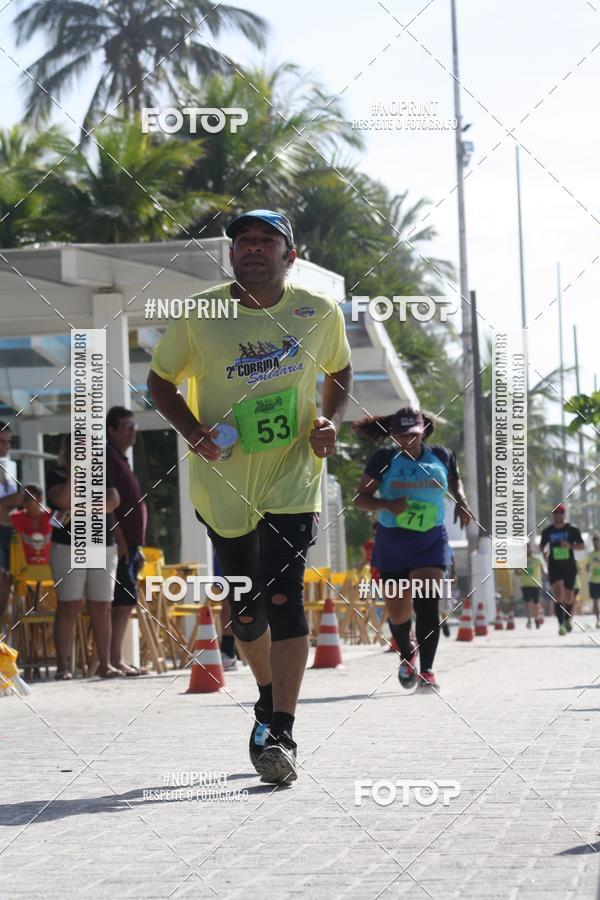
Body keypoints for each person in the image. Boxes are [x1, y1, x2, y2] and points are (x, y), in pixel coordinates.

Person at [147, 209, 352, 784]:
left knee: (285, 599)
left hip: (293, 476)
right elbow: (160, 382)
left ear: (291, 255)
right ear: (231, 254)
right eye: (243, 241)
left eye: (267, 241)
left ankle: (282, 729)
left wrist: (330, 422)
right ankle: (266, 694)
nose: (253, 249)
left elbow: (339, 372)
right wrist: (193, 433)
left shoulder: (318, 312)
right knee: (244, 608)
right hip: (223, 479)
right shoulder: (200, 314)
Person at [353, 407, 473, 690]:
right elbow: (361, 498)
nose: (407, 440)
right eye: (401, 435)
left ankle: (428, 671)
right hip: (393, 540)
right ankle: (408, 654)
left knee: (427, 602)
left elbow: (454, 479)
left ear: (423, 432)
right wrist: (386, 505)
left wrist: (462, 501)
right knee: (398, 614)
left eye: (413, 435)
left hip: (430, 539)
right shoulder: (383, 459)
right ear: (392, 435)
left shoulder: (442, 455)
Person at [47, 434, 121, 679]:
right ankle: (63, 667)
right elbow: (61, 499)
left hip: (102, 545)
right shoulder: (57, 474)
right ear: (68, 449)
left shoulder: (101, 471)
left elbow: (113, 501)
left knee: (103, 606)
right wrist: (74, 473)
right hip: (68, 547)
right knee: (69, 605)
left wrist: (78, 508)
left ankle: (105, 664)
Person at [106, 407, 148, 676]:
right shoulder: (109, 457)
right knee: (121, 602)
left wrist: (137, 546)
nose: (133, 430)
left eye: (134, 425)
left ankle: (116, 657)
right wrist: (119, 537)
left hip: (131, 546)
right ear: (112, 430)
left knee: (126, 601)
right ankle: (114, 658)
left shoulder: (121, 458)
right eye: (127, 426)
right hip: (119, 545)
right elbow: (107, 503)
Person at [540, 503, 585, 636]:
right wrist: (544, 552)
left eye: (560, 513)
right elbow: (542, 545)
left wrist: (570, 545)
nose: (558, 515)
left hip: (569, 566)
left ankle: (567, 619)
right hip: (554, 566)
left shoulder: (572, 530)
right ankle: (561, 625)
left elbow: (581, 546)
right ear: (553, 515)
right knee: (558, 594)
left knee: (569, 597)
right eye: (556, 513)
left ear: (563, 515)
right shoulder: (547, 531)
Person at [0, 422, 23, 625]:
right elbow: (14, 499)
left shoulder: (8, 467)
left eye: (8, 442)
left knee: (7, 582)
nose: (5, 446)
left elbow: (16, 500)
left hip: (7, 529)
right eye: (1, 441)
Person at [10, 484, 52, 565]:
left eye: (30, 497)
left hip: (50, 567)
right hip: (23, 568)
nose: (26, 500)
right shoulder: (14, 518)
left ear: (40, 499)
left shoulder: (52, 516)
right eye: (23, 497)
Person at [520, 541, 544, 629]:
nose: (527, 550)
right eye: (525, 548)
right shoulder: (521, 560)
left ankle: (537, 618)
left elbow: (544, 568)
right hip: (525, 584)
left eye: (528, 548)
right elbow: (516, 572)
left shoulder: (537, 559)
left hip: (536, 584)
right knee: (527, 602)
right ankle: (529, 620)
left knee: (536, 603)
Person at [587, 535, 600, 629]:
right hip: (593, 581)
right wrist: (588, 568)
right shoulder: (590, 555)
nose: (596, 544)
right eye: (594, 542)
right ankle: (598, 620)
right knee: (595, 602)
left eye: (598, 542)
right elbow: (587, 567)